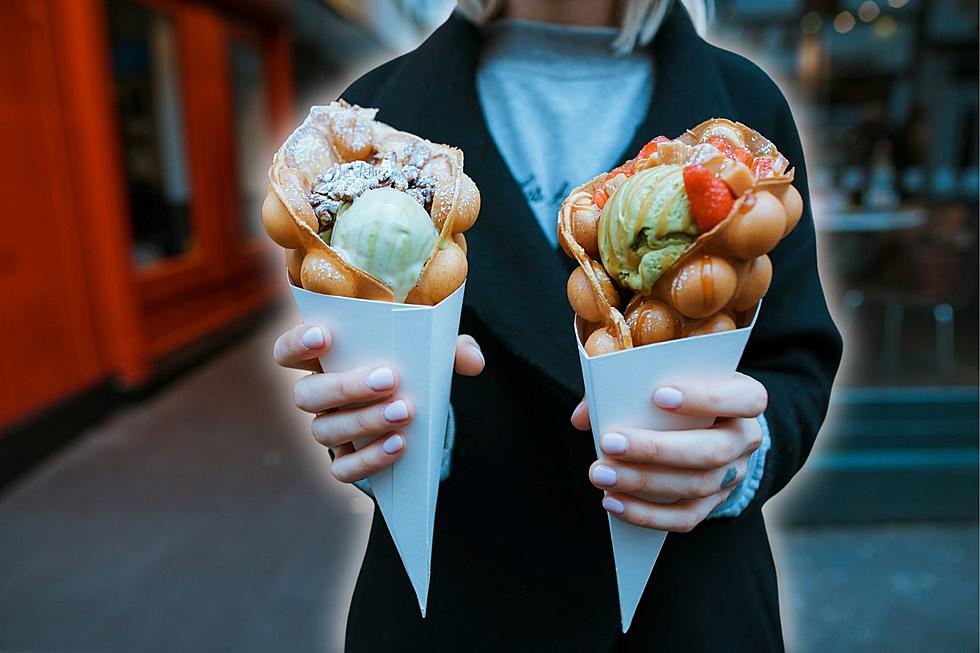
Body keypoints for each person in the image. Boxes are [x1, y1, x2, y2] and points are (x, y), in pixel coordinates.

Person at [272, 0, 842, 649]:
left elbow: (796, 357)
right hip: (459, 600)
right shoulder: (370, 119)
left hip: (685, 602)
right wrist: (391, 431)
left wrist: (741, 452)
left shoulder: (743, 114)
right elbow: (357, 357)